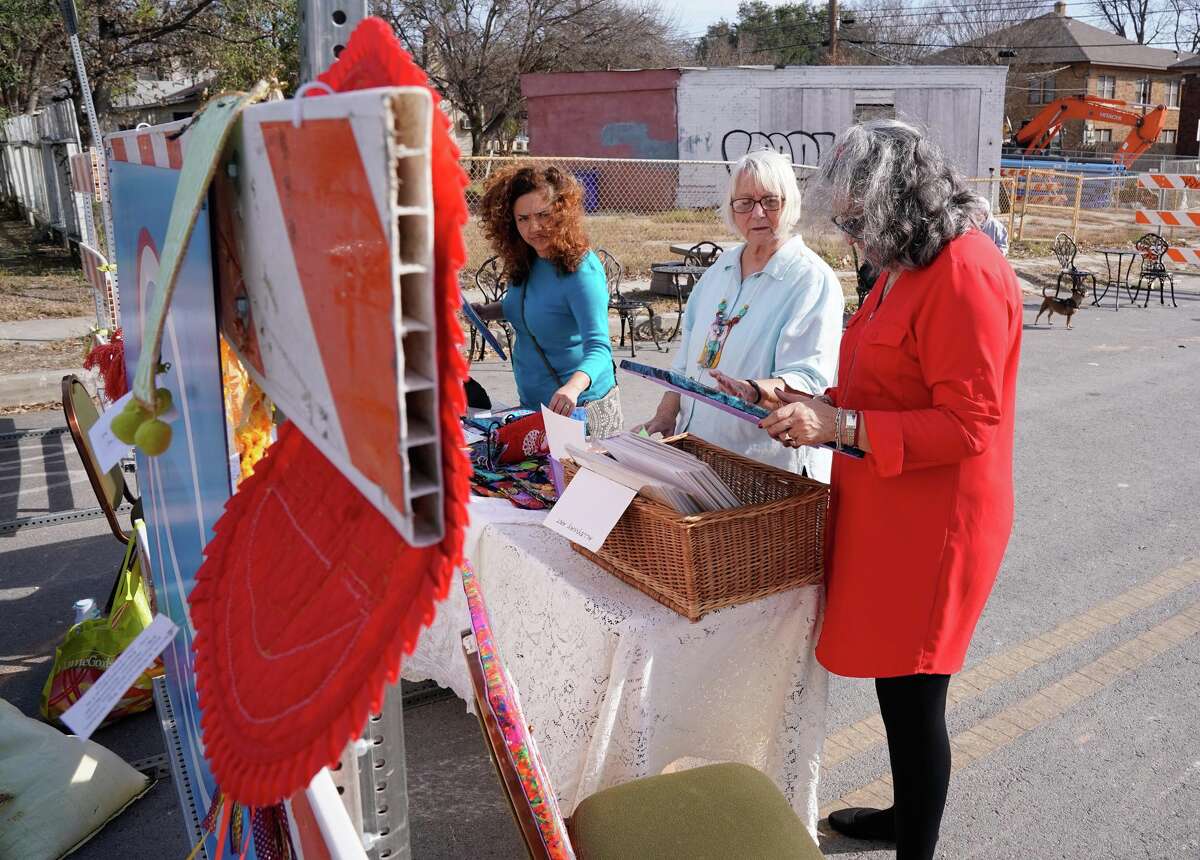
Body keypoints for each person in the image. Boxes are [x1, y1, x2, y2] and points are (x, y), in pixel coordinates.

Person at [757, 120, 1021, 859]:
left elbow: (968, 425)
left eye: (856, 222)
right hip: (890, 502)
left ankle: (915, 844)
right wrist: (803, 398)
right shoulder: (907, 262)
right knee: (894, 679)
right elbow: (882, 381)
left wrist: (838, 422)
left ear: (899, 200)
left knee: (915, 695)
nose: (850, 239)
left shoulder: (963, 270)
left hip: (938, 520)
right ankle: (905, 815)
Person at [635, 149, 844, 481]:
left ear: (790, 202)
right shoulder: (721, 269)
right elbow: (686, 361)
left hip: (765, 471)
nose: (757, 213)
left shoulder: (810, 280)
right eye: (744, 203)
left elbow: (808, 382)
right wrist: (665, 414)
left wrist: (754, 389)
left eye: (770, 201)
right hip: (701, 458)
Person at [472, 164, 622, 437]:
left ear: (562, 213)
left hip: (581, 410)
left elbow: (600, 348)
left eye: (543, 215)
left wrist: (573, 388)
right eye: (523, 219)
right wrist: (485, 311)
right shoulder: (526, 259)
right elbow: (525, 307)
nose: (534, 228)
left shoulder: (581, 270)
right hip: (533, 407)